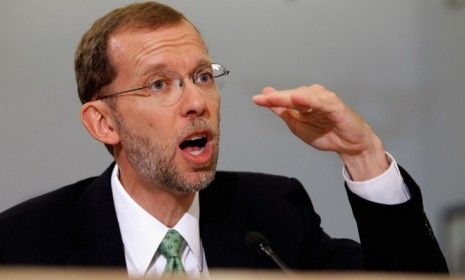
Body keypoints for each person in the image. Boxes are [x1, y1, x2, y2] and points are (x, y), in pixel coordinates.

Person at [0, 1, 448, 278]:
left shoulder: (272, 214)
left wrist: (363, 153)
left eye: (201, 76)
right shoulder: (25, 243)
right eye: (159, 84)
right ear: (104, 123)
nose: (197, 102)